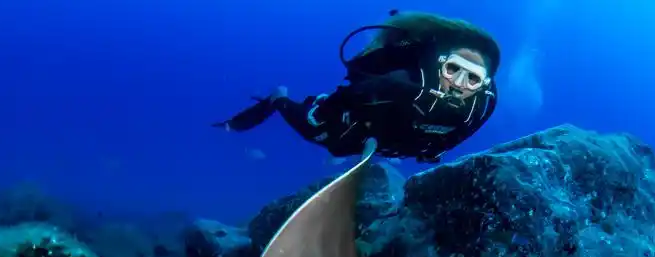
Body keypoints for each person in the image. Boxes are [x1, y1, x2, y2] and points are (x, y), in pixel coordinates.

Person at [213, 10, 500, 164]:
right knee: (321, 137)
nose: (457, 85)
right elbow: (350, 95)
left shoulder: (482, 105)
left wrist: (430, 151)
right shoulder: (399, 84)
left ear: (484, 85)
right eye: (453, 70)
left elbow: (461, 134)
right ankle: (280, 98)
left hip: (400, 144)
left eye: (471, 79)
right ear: (440, 66)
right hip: (351, 123)